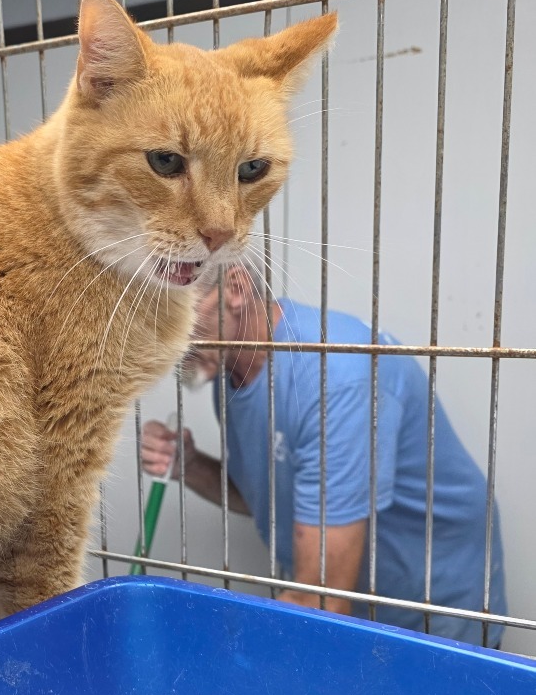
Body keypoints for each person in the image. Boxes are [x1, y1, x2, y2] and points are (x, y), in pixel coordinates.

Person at [141, 263, 506, 647]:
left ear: (235, 288)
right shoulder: (229, 372)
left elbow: (320, 602)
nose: (166, 336)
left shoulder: (335, 378)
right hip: (360, 601)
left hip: (432, 601)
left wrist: (210, 650)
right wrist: (190, 466)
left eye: (178, 307)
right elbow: (271, 500)